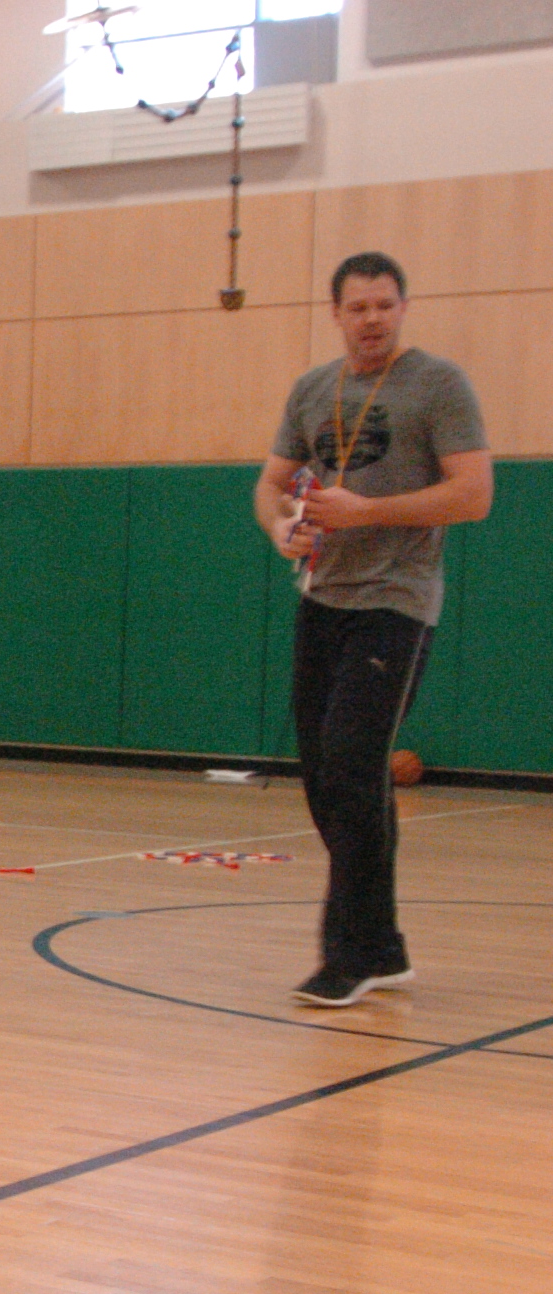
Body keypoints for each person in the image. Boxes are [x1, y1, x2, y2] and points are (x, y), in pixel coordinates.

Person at [256, 251, 493, 1008]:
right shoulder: (312, 389)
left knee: (355, 765)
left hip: (396, 602)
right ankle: (382, 947)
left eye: (385, 306)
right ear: (336, 313)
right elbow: (271, 483)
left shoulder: (438, 385)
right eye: (358, 308)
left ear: (403, 307)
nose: (372, 320)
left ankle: (348, 955)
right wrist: (283, 525)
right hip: (323, 599)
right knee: (325, 779)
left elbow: (474, 494)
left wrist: (369, 512)